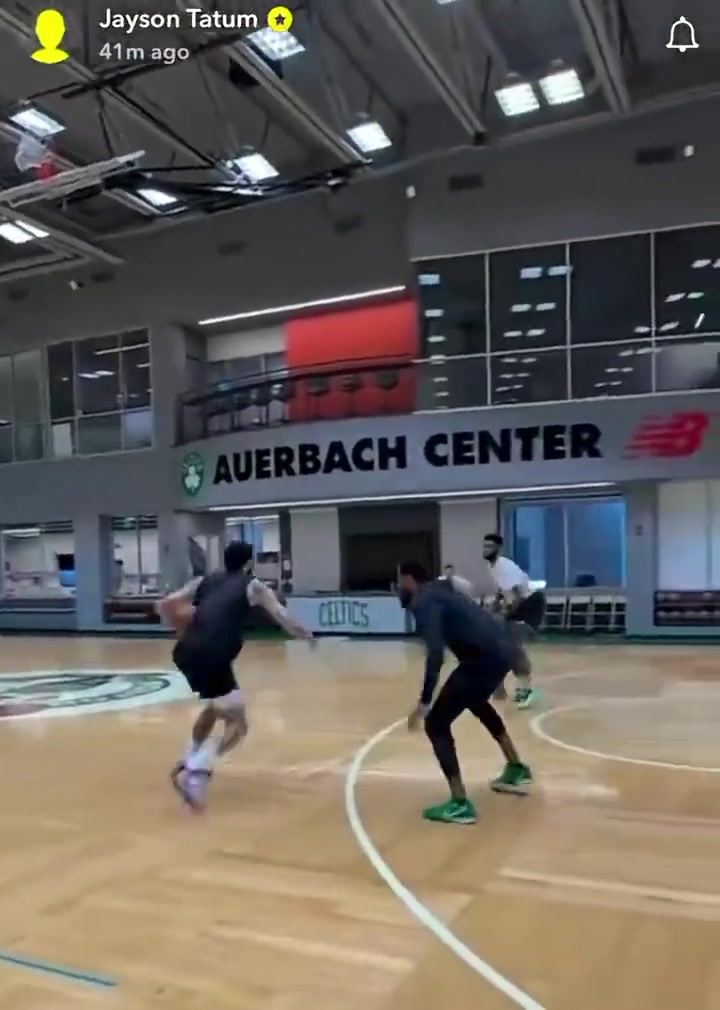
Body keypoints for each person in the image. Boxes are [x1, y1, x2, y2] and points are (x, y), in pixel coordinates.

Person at [157, 541, 313, 811]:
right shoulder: (253, 586)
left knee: (215, 707)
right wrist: (305, 634)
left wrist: (179, 625)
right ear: (249, 563)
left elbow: (166, 604)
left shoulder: (204, 581)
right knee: (239, 725)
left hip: (186, 651)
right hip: (215, 653)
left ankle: (190, 755)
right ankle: (199, 766)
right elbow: (281, 615)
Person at [399, 561, 533, 825]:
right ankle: (516, 768)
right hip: (502, 650)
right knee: (475, 701)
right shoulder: (442, 590)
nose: (398, 586)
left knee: (436, 724)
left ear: (410, 580)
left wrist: (425, 701)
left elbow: (435, 653)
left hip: (482, 659)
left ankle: (460, 803)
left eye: (400, 580)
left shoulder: (425, 601)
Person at [483, 534, 545, 709]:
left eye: (490, 546)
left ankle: (526, 689)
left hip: (530, 604)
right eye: (484, 546)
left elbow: (516, 595)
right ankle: (505, 686)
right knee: (503, 645)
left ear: (498, 549)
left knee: (511, 645)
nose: (485, 549)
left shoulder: (504, 566)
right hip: (518, 606)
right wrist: (493, 607)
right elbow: (502, 591)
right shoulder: (492, 566)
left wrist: (504, 614)